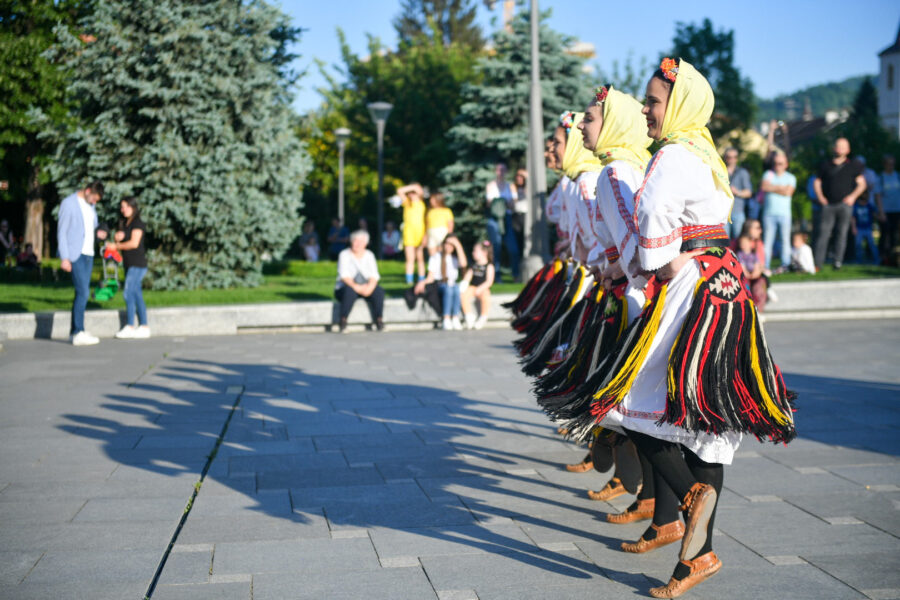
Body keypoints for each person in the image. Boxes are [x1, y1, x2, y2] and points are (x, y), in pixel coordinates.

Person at [589, 58, 795, 597]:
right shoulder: (706, 154)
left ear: (677, 105)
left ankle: (686, 504)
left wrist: (656, 263)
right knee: (711, 418)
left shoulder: (674, 154)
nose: (648, 112)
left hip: (689, 289)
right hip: (729, 289)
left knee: (629, 402)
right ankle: (694, 555)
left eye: (654, 102)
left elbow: (654, 238)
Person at [57, 181, 107, 346]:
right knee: (83, 292)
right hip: (75, 254)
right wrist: (65, 257)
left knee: (81, 293)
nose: (94, 202)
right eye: (93, 198)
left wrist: (101, 232)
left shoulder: (90, 206)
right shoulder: (69, 204)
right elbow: (62, 231)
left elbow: (92, 226)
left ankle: (75, 331)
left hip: (88, 254)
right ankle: (78, 331)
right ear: (87, 191)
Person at [813, 138, 866, 269]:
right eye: (838, 146)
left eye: (844, 146)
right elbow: (817, 182)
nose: (841, 149)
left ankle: (838, 261)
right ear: (834, 148)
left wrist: (852, 197)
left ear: (848, 150)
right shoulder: (825, 165)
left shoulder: (853, 166)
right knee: (823, 233)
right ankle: (818, 263)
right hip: (828, 204)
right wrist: (820, 197)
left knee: (841, 233)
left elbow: (862, 184)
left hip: (844, 205)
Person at [106, 196, 150, 339]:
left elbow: (134, 243)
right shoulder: (125, 223)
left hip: (138, 264)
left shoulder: (138, 223)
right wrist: (118, 237)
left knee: (128, 292)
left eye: (126, 206)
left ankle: (130, 325)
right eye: (122, 207)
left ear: (133, 207)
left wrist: (116, 245)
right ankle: (144, 326)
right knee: (136, 294)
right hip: (129, 263)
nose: (123, 209)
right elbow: (125, 241)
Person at [334, 230, 385, 333]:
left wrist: (370, 287)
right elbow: (344, 276)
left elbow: (374, 275)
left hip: (366, 287)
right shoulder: (344, 255)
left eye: (360, 241)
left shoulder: (369, 255)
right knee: (349, 291)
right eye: (355, 241)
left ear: (365, 243)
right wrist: (357, 287)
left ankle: (379, 320)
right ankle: (343, 321)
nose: (357, 244)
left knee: (379, 291)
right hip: (347, 287)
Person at [415, 234, 467, 330]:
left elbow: (463, 264)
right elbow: (431, 277)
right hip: (440, 284)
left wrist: (458, 245)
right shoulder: (436, 257)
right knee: (448, 289)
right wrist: (422, 282)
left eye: (451, 245)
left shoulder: (455, 258)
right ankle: (446, 318)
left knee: (455, 288)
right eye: (446, 244)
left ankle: (455, 317)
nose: (448, 246)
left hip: (453, 284)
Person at [760, 150, 796, 271]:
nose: (777, 166)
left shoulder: (791, 177)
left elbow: (788, 192)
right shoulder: (768, 174)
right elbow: (764, 187)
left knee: (785, 240)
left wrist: (773, 188)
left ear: (786, 164)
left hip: (784, 214)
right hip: (769, 213)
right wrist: (781, 188)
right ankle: (765, 265)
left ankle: (785, 264)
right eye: (775, 163)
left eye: (780, 163)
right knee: (768, 241)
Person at [485, 163, 519, 280]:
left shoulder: (511, 186)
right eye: (499, 170)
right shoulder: (491, 186)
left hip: (507, 219)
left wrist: (502, 202)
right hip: (494, 219)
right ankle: (496, 275)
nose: (501, 172)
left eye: (503, 170)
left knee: (513, 248)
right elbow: (488, 204)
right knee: (496, 247)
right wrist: (501, 202)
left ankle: (515, 274)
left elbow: (513, 204)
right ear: (496, 171)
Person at [460, 240, 495, 330]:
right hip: (473, 287)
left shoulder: (489, 266)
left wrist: (481, 288)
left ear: (484, 253)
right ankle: (468, 315)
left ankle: (483, 317)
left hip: (483, 288)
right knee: (463, 295)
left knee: (486, 297)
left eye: (475, 251)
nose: (473, 253)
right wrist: (464, 283)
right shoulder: (474, 266)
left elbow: (489, 282)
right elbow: (468, 276)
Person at [397, 182, 427, 284]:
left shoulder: (421, 203)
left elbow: (420, 191)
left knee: (420, 257)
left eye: (414, 193)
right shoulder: (407, 203)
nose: (412, 195)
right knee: (410, 258)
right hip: (409, 233)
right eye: (410, 193)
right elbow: (400, 191)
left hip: (420, 233)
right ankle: (409, 280)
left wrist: (415, 187)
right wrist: (411, 188)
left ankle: (421, 279)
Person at [876, 154, 900, 265]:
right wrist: (881, 212)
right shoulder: (881, 178)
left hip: (897, 210)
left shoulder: (897, 176)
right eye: (888, 164)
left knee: (895, 235)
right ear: (884, 165)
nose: (891, 166)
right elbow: (878, 196)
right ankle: (883, 258)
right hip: (885, 211)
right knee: (885, 235)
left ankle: (894, 257)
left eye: (892, 164)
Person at [723, 148, 752, 239]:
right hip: (723, 212)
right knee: (724, 241)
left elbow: (749, 192)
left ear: (737, 158)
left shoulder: (742, 173)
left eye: (734, 157)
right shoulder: (720, 171)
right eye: (729, 157)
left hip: (738, 211)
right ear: (725, 158)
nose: (732, 160)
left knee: (739, 240)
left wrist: (737, 192)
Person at [735, 234, 767, 310]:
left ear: (750, 244)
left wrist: (755, 273)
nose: (744, 245)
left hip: (755, 275)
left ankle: (759, 309)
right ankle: (748, 307)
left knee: (760, 286)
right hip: (745, 275)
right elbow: (742, 266)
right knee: (746, 288)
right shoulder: (740, 254)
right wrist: (747, 274)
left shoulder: (754, 254)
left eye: (746, 243)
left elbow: (757, 265)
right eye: (742, 243)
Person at [852, 193, 879, 264]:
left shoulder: (869, 205)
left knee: (872, 244)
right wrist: (854, 228)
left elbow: (875, 214)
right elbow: (853, 218)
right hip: (859, 228)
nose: (864, 203)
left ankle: (876, 259)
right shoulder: (856, 206)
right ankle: (859, 260)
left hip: (868, 228)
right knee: (858, 245)